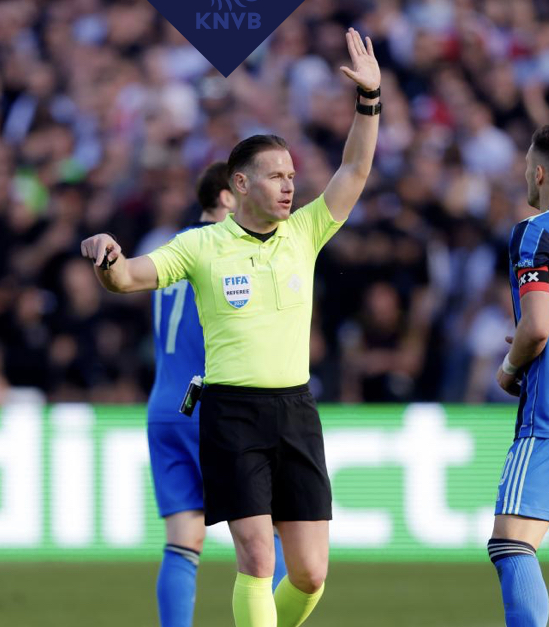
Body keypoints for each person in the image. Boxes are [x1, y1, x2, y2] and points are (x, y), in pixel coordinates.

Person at [81, 28, 381, 627]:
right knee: (257, 557)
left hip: (296, 410)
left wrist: (369, 100)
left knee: (310, 574)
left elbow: (353, 167)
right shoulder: (202, 246)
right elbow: (130, 278)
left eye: (292, 175)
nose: (290, 185)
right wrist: (108, 258)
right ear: (240, 184)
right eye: (275, 176)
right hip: (232, 413)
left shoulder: (305, 232)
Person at [147, 162, 286, 627]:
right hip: (210, 405)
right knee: (271, 534)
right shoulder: (219, 249)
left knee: (183, 540)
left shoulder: (171, 248)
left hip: (164, 405)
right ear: (227, 198)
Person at [491, 124, 549, 626]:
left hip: (546, 419)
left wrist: (510, 368)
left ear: (540, 173)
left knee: (511, 542)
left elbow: (537, 327)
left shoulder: (536, 231)